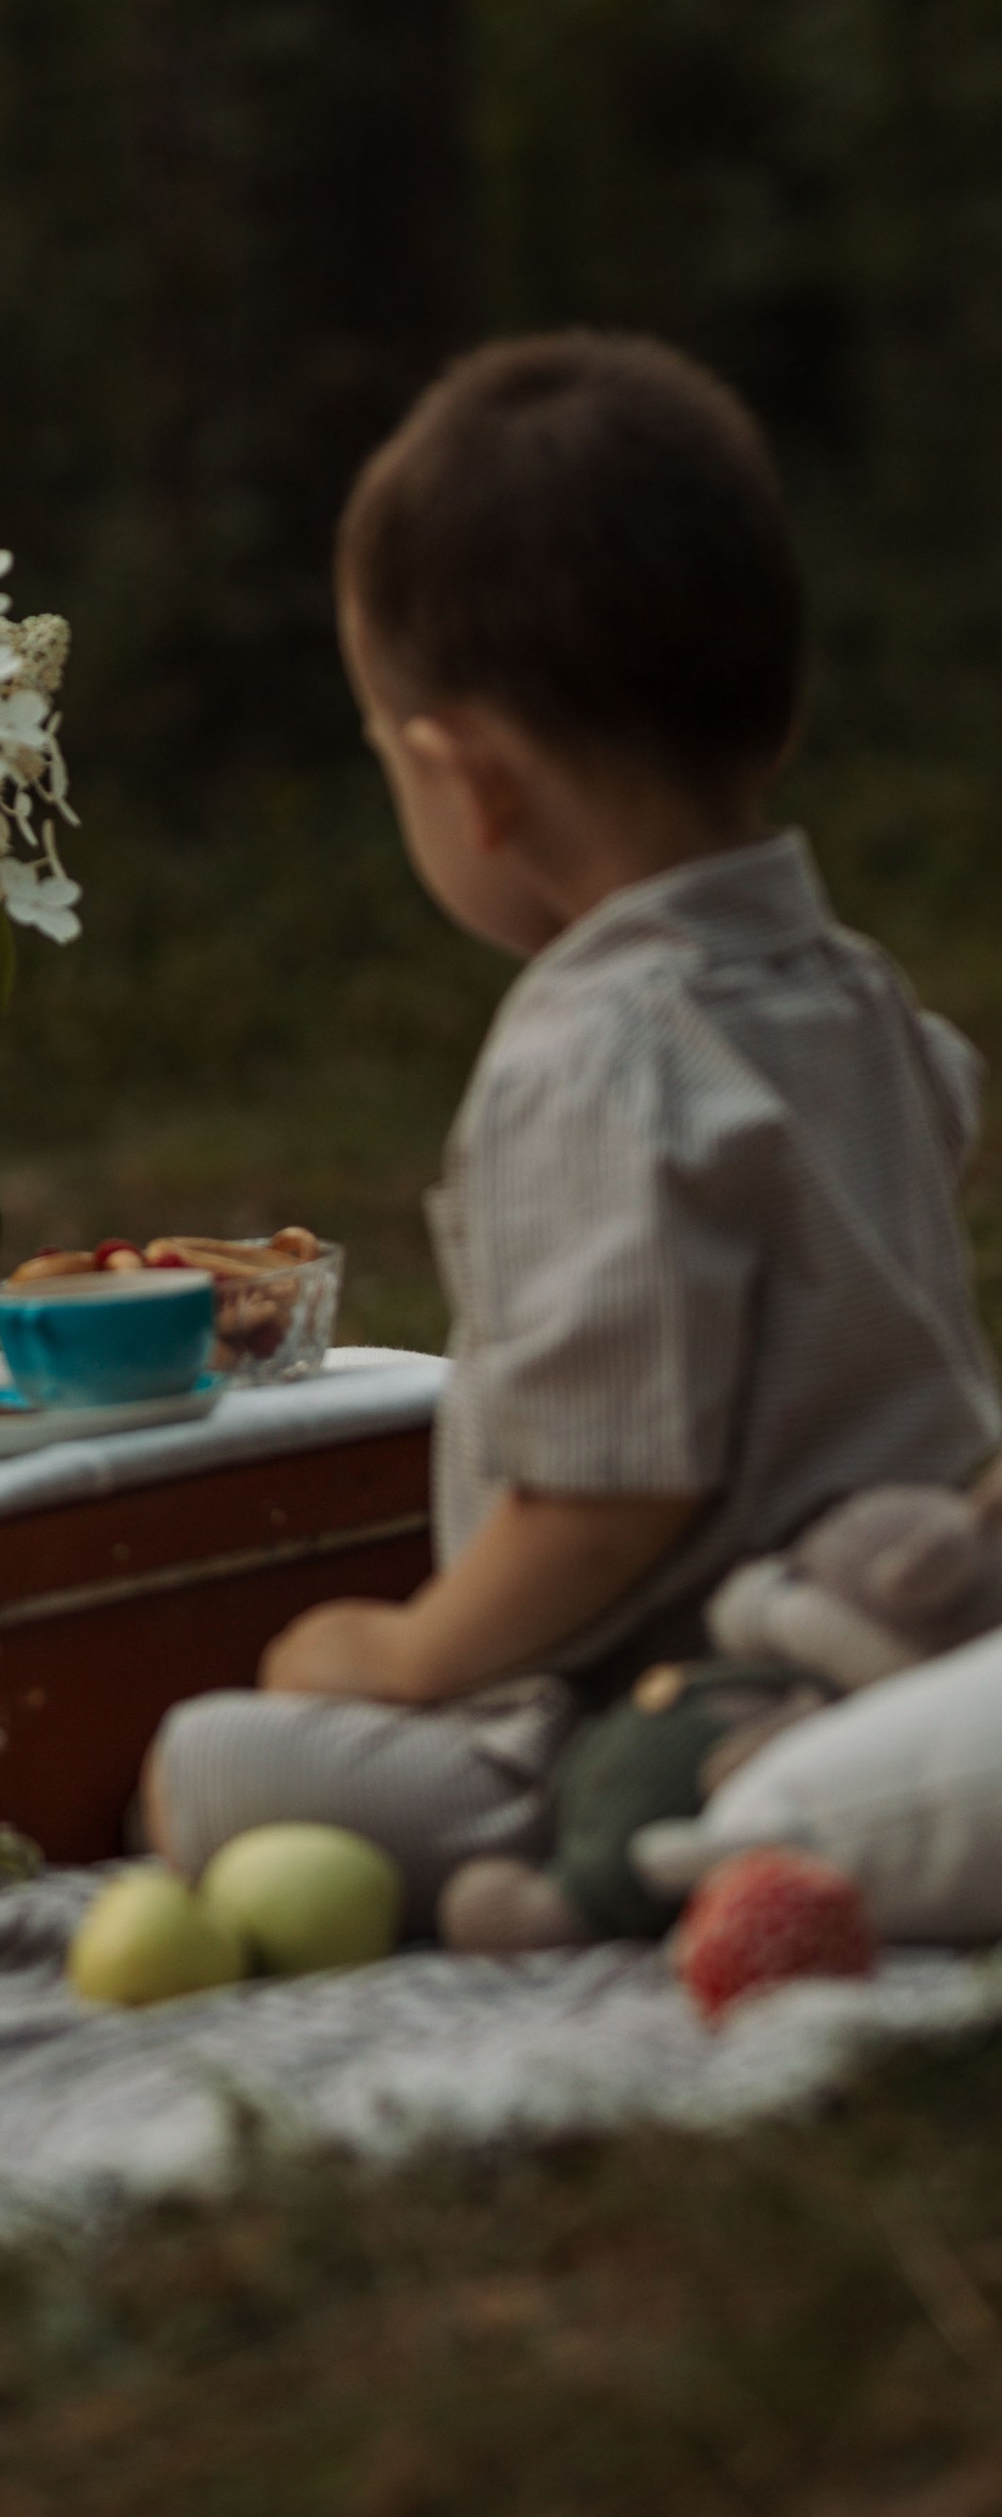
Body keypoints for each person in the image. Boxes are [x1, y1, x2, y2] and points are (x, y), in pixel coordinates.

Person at [145, 334, 999, 1930]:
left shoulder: (590, 1059)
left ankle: (608, 1849)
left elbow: (607, 1503)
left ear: (469, 783)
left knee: (203, 1770)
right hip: (942, 1612)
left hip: (677, 1687)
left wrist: (405, 1654)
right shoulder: (855, 988)